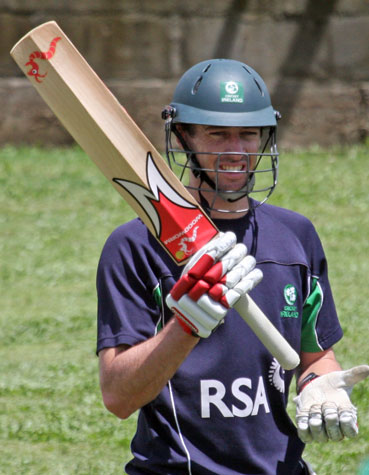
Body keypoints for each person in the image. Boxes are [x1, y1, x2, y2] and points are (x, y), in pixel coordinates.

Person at [97, 59, 369, 474]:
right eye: (216, 133)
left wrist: (319, 385)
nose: (235, 151)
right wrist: (185, 325)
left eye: (249, 134)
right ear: (183, 135)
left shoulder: (296, 236)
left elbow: (314, 356)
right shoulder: (135, 246)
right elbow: (118, 395)